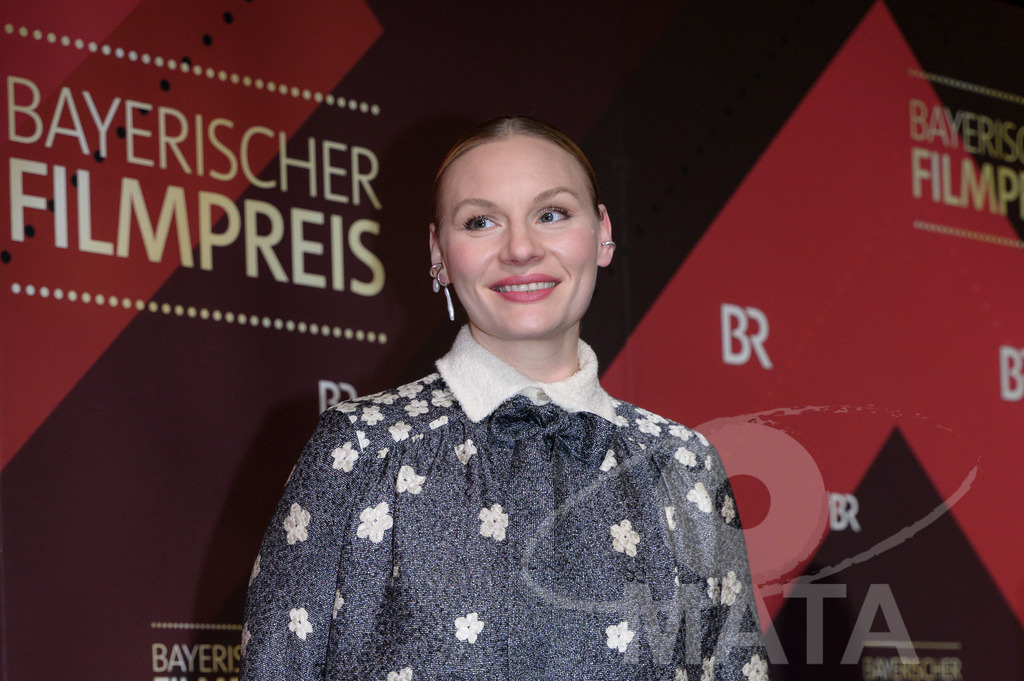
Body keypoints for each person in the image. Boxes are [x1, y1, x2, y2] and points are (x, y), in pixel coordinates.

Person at [239, 116, 769, 680]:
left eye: (551, 214)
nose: (520, 248)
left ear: (602, 232)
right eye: (481, 221)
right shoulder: (365, 450)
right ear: (439, 254)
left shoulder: (683, 465)